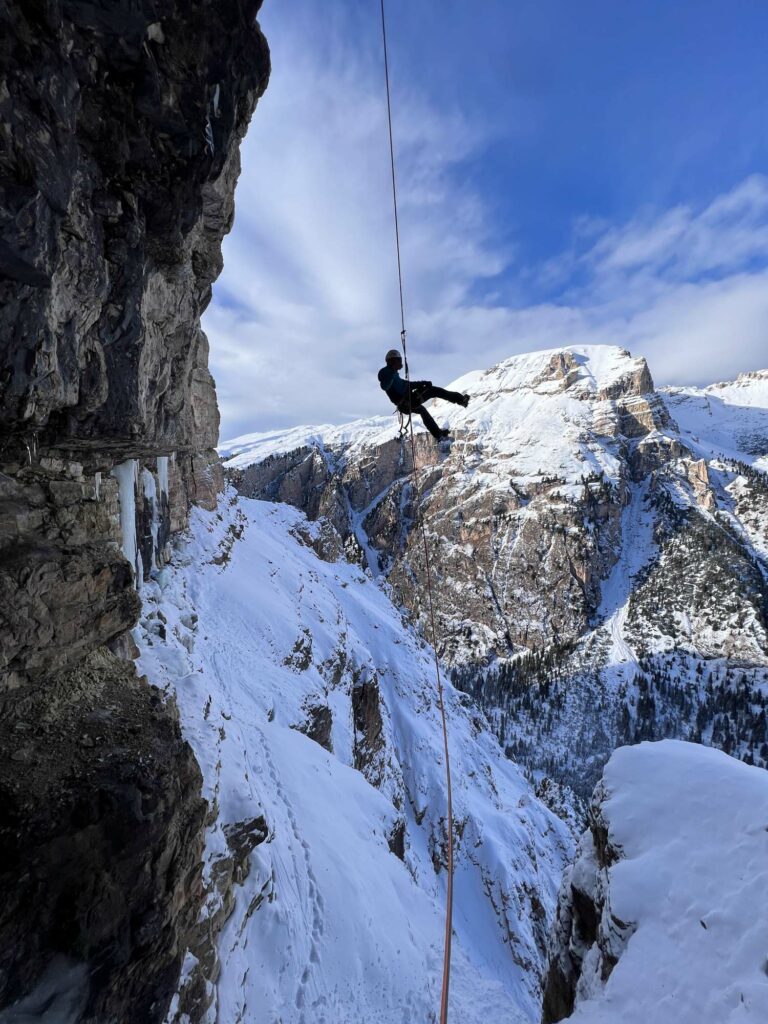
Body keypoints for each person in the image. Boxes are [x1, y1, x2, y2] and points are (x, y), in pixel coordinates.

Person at [378, 349, 469, 440]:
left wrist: (422, 383)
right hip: (408, 401)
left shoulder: (394, 375)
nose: (400, 362)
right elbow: (385, 386)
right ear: (393, 361)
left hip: (406, 403)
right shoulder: (386, 372)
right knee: (433, 391)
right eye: (398, 360)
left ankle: (438, 434)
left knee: (423, 411)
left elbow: (407, 385)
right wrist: (393, 372)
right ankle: (461, 400)